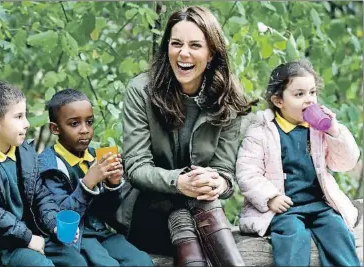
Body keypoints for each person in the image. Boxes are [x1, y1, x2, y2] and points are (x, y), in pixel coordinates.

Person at [120, 6, 254, 267]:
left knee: (192, 212)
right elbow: (136, 168)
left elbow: (225, 172)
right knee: (190, 211)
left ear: (212, 52)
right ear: (166, 47)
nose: (184, 53)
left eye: (195, 45)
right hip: (148, 211)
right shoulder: (141, 91)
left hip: (201, 210)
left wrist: (218, 183)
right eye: (176, 43)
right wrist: (178, 182)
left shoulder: (228, 98)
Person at [236, 59, 361, 266]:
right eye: (299, 94)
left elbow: (346, 163)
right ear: (278, 101)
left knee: (337, 231)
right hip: (285, 208)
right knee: (293, 237)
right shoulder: (261, 132)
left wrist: (334, 131)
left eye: (312, 92)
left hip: (319, 205)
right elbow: (247, 173)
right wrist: (270, 198)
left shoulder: (319, 130)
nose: (309, 100)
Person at [0, 80, 85, 266]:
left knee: (75, 260)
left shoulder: (24, 153)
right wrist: (29, 238)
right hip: (0, 242)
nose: (27, 123)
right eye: (19, 117)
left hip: (27, 232)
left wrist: (54, 224)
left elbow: (40, 196)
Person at [38, 89, 154, 266]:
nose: (85, 130)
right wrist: (88, 183)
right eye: (74, 124)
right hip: (77, 237)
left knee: (142, 261)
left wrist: (112, 185)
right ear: (55, 128)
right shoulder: (50, 165)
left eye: (89, 122)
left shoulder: (94, 157)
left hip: (101, 232)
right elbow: (61, 219)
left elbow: (106, 213)